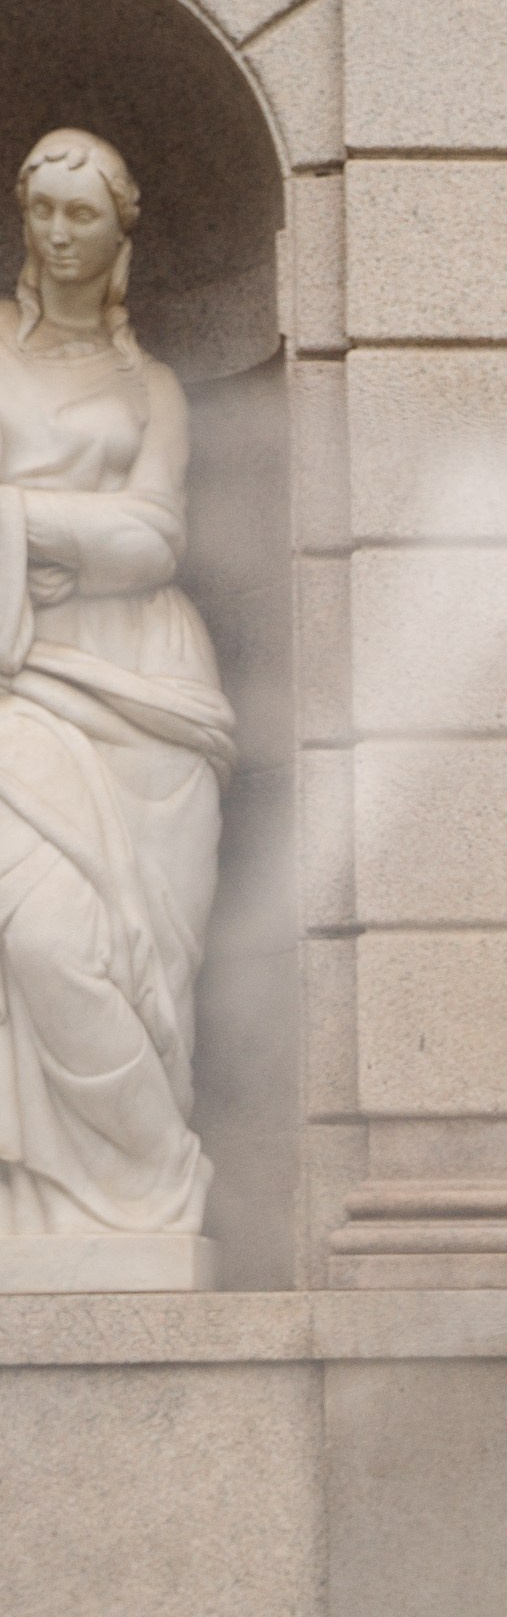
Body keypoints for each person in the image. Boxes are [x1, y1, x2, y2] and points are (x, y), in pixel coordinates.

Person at [0, 128, 234, 1244]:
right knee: (45, 937)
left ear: (118, 229)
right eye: (42, 210)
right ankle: (123, 1184)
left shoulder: (156, 386)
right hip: (21, 675)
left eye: (81, 214)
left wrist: (16, 520)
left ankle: (151, 1203)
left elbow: (154, 539)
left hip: (150, 694)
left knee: (153, 978)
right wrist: (84, 535)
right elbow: (123, 530)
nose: (58, 234)